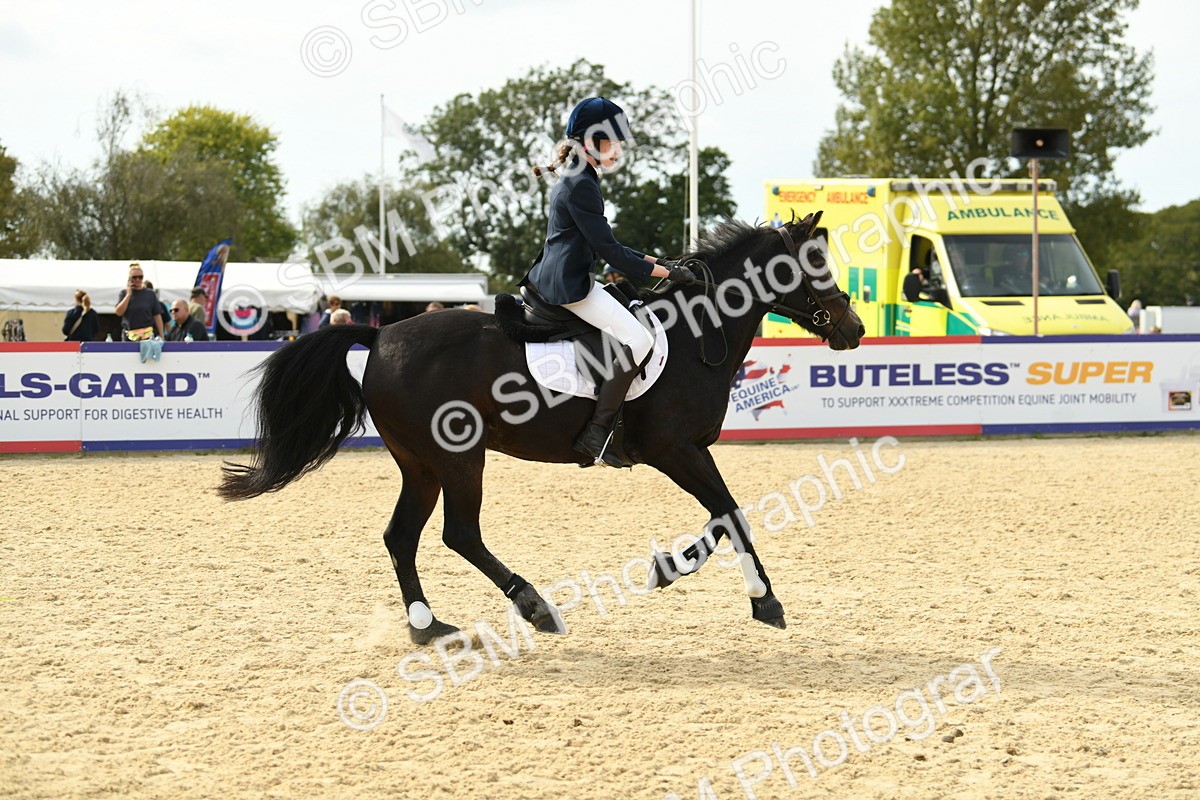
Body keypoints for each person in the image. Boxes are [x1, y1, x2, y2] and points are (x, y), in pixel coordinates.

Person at [522, 96, 696, 467]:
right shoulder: (581, 184)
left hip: (562, 276)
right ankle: (597, 434)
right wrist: (668, 273)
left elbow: (611, 244)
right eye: (610, 142)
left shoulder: (579, 176)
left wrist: (661, 262)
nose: (617, 150)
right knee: (639, 339)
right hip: (567, 287)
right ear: (588, 142)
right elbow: (612, 253)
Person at [113, 262, 164, 340]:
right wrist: (128, 295)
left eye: (140, 277)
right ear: (130, 278)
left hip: (147, 336)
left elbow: (157, 316)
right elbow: (119, 312)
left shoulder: (150, 294)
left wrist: (162, 336)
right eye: (134, 277)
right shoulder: (124, 293)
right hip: (129, 336)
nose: (137, 279)